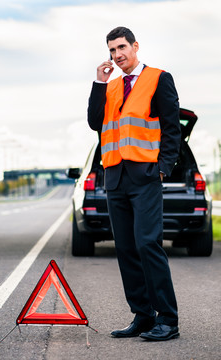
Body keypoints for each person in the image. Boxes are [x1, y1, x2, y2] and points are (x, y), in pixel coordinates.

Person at [87, 26, 181, 341]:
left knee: (147, 244)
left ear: (135, 46)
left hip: (145, 177)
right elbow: (94, 122)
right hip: (115, 178)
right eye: (112, 50)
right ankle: (142, 316)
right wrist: (99, 82)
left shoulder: (158, 78)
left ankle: (168, 319)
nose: (118, 55)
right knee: (126, 249)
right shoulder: (110, 86)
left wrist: (164, 168)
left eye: (122, 47)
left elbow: (171, 127)